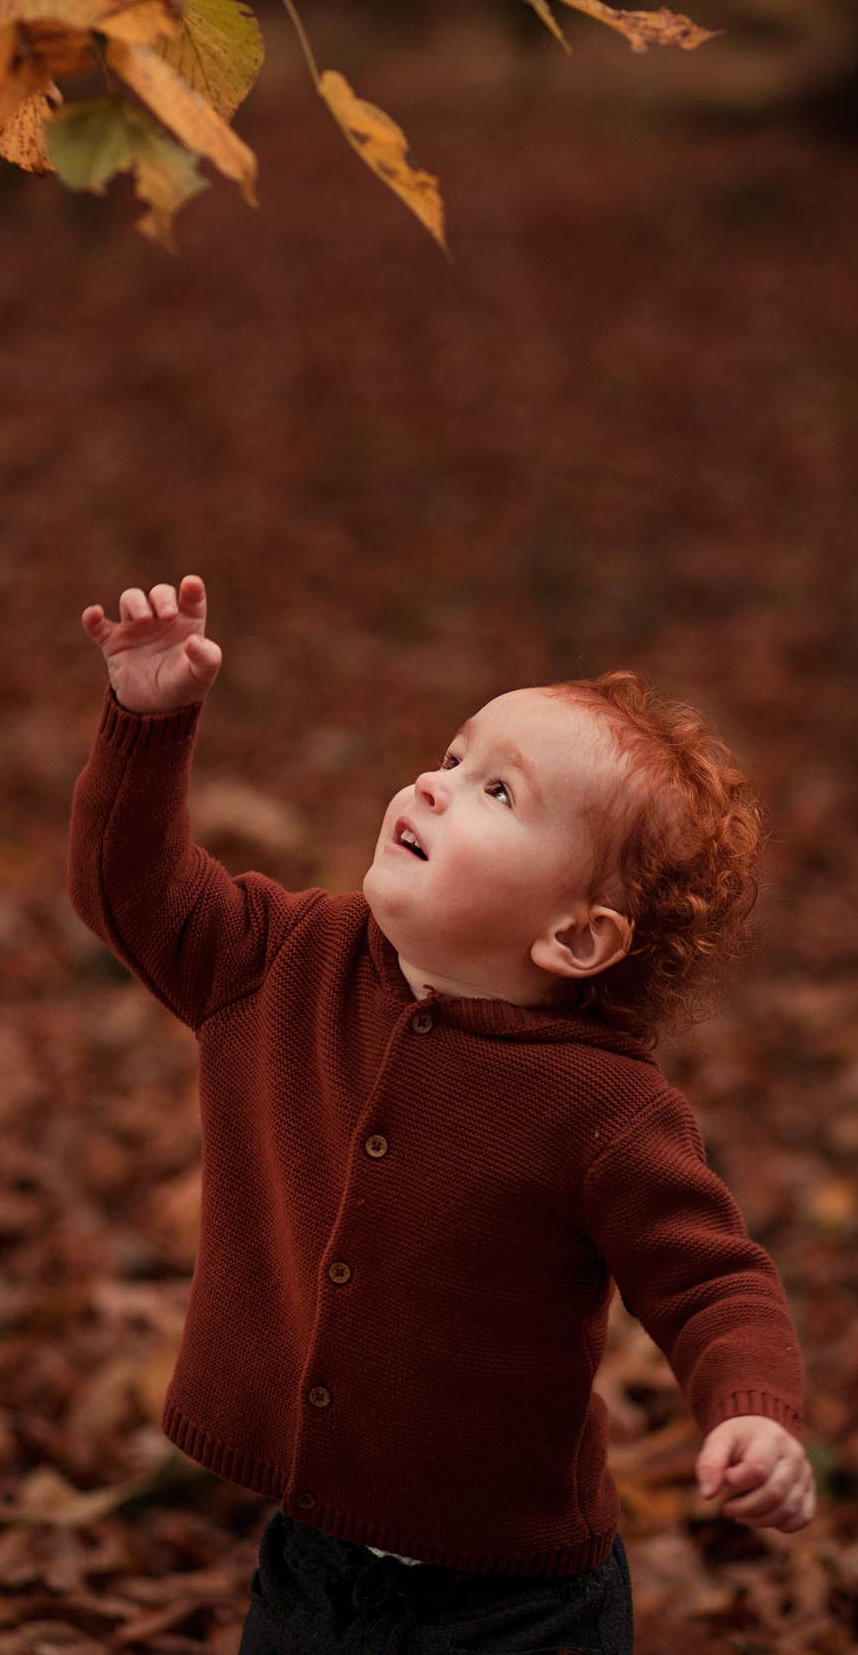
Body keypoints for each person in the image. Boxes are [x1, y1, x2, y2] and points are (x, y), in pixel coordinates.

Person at [69, 576, 811, 1654]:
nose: (433, 784)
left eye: (496, 793)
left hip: (515, 1605)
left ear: (578, 937)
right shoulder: (280, 959)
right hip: (313, 1571)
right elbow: (131, 890)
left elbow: (712, 1278)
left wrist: (749, 1406)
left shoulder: (604, 1112)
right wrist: (146, 720)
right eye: (453, 756)